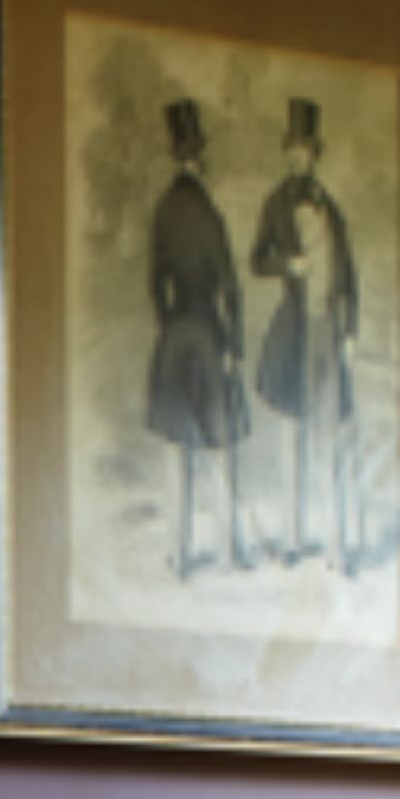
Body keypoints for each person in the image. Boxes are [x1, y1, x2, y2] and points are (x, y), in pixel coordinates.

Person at [252, 95, 361, 566]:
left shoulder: (330, 208)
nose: (298, 156)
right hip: (292, 336)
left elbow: (349, 272)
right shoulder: (275, 203)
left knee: (331, 439)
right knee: (291, 436)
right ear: (286, 153)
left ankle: (338, 546)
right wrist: (289, 265)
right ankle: (293, 540)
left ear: (316, 153)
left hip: (327, 334)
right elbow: (257, 259)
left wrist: (351, 332)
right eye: (292, 148)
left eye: (306, 149)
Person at [145, 95, 249, 579]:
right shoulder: (208, 213)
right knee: (220, 442)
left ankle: (178, 556)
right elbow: (230, 287)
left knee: (176, 445)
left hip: (174, 337)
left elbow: (153, 280)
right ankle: (229, 550)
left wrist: (167, 324)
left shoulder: (165, 209)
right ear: (198, 156)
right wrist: (235, 347)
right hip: (207, 334)